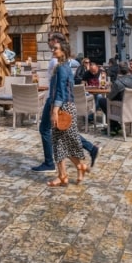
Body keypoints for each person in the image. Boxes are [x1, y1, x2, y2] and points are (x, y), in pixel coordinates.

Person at [33, 33, 99, 173]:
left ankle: (52, 164)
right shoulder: (69, 63)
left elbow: (61, 89)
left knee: (52, 132)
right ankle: (81, 161)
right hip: (61, 101)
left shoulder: (59, 65)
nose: (50, 46)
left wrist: (54, 109)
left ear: (58, 43)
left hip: (57, 101)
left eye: (52, 43)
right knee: (64, 134)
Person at [46, 38, 89, 187]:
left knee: (64, 141)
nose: (53, 50)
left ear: (63, 51)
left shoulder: (62, 68)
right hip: (65, 106)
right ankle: (64, 174)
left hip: (63, 107)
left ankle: (77, 167)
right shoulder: (63, 66)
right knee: (59, 142)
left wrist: (55, 110)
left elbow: (61, 92)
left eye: (55, 48)